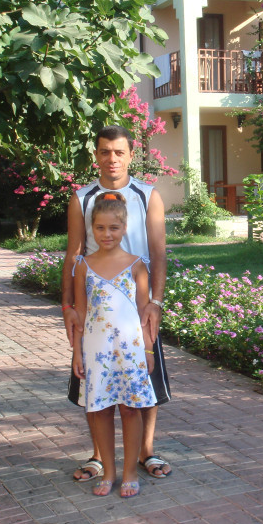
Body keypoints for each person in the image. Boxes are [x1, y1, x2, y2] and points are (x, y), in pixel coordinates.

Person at [62, 125, 172, 484]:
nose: (112, 159)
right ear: (96, 155)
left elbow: (158, 252)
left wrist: (155, 302)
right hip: (96, 309)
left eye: (119, 152)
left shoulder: (147, 195)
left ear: (130, 155)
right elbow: (74, 254)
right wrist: (68, 306)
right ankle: (99, 455)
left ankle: (145, 451)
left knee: (143, 380)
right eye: (105, 152)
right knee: (94, 382)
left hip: (137, 303)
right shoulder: (82, 198)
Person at [71, 191, 156, 497]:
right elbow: (80, 314)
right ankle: (108, 471)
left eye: (113, 228)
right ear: (92, 229)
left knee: (130, 409)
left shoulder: (137, 265)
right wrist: (77, 353)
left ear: (124, 228)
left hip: (129, 350)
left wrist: (148, 349)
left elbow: (145, 313)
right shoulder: (83, 266)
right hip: (97, 352)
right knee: (101, 410)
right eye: (100, 228)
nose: (107, 234)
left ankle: (130, 471)